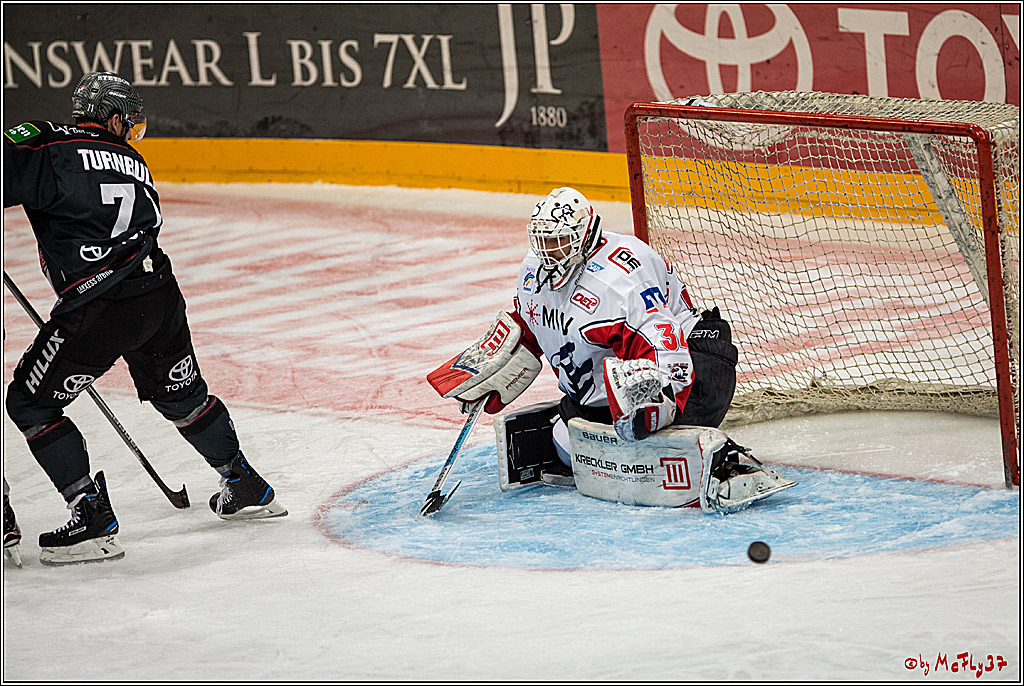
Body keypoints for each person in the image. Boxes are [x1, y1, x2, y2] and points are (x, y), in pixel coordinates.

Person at [3, 72, 286, 566]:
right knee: (183, 397)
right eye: (128, 123)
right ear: (113, 119)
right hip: (159, 296)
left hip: (100, 307)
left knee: (31, 404)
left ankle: (91, 517)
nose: (131, 133)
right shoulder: (134, 161)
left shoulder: (44, 143)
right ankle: (245, 483)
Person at [428, 187, 794, 512]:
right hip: (625, 368)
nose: (548, 252)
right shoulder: (533, 270)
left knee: (635, 434)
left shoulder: (616, 284)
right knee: (570, 441)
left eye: (558, 242)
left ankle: (723, 463)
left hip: (695, 361)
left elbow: (666, 347)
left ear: (585, 236)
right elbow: (529, 327)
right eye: (541, 241)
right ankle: (611, 431)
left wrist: (657, 408)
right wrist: (495, 370)